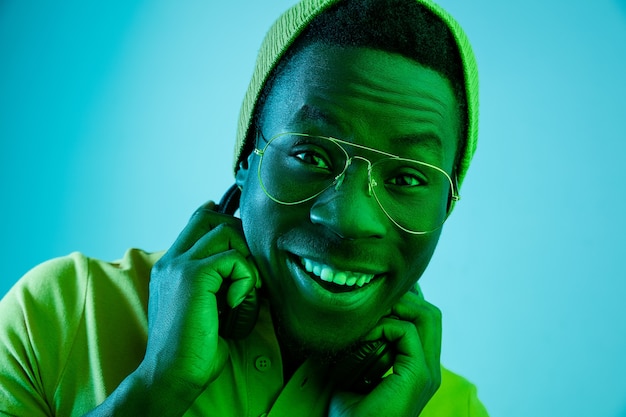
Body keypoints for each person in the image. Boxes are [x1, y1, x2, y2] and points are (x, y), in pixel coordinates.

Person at [0, 0, 488, 415]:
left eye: (407, 178)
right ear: (244, 159)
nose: (348, 219)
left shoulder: (455, 407)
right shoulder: (61, 312)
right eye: (309, 156)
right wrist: (154, 390)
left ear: (446, 208)